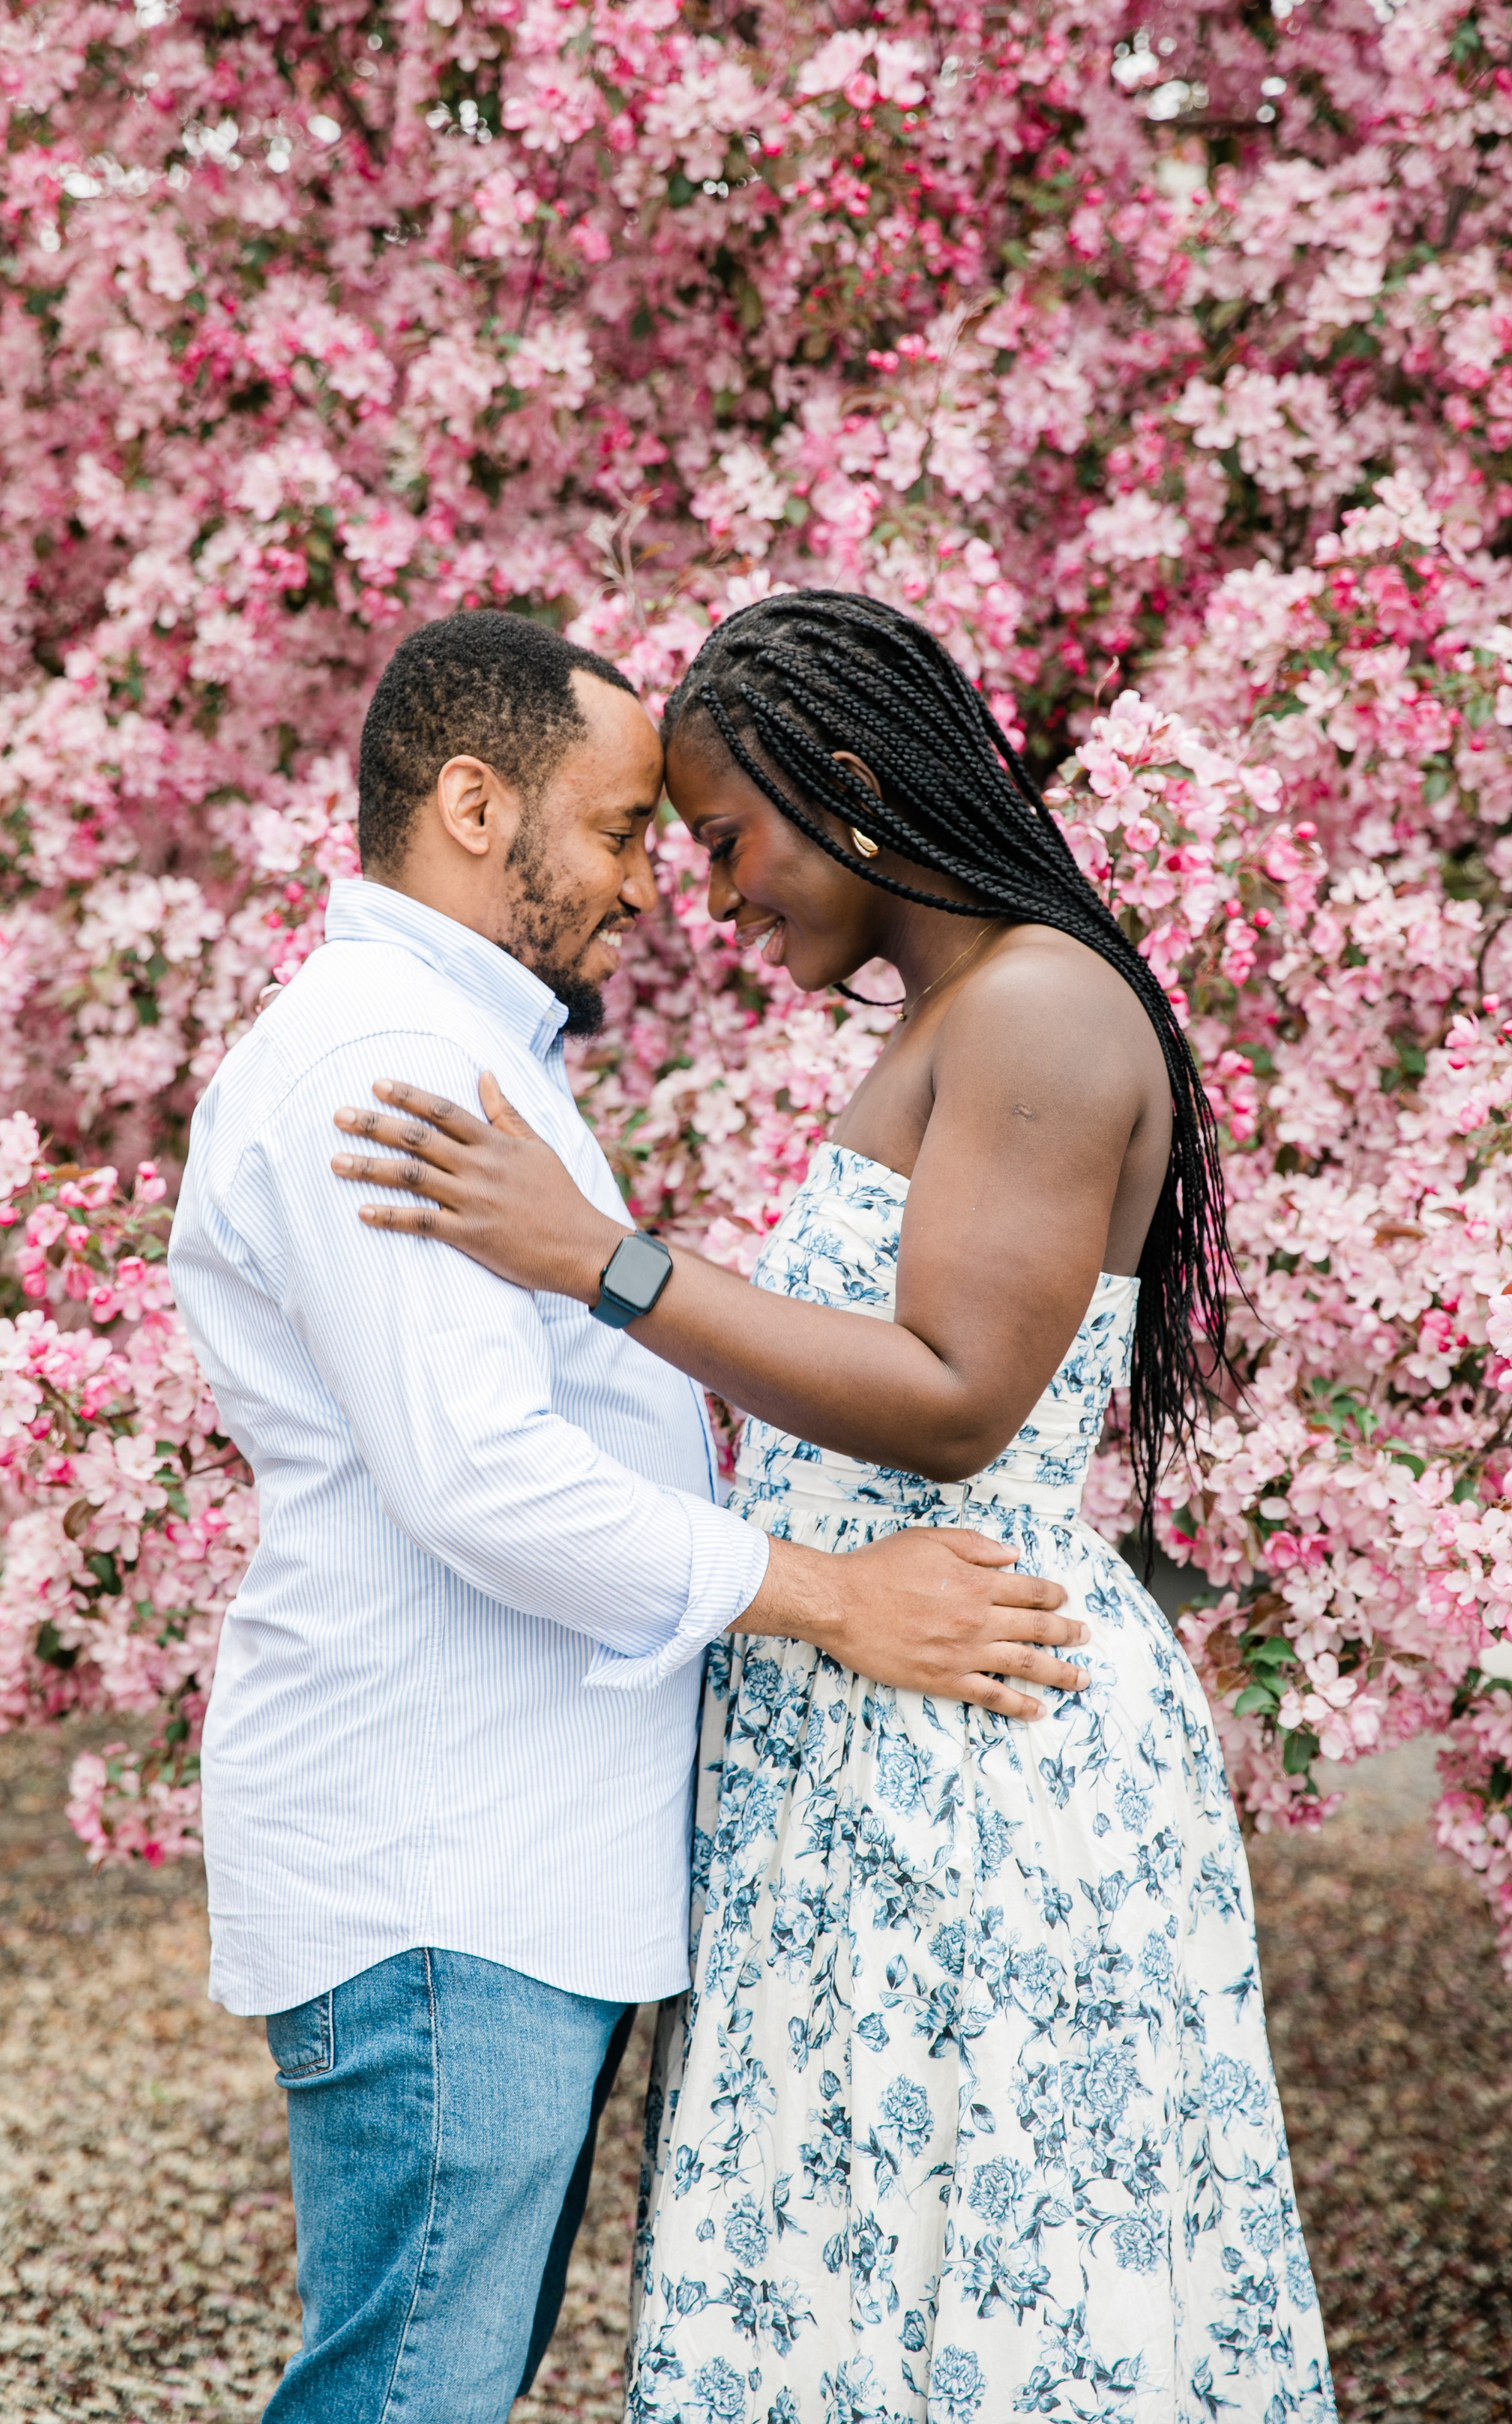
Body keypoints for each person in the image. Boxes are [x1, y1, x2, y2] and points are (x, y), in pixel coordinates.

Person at [330, 593, 1337, 2421]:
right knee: (866, 2256)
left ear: (850, 786)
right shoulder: (959, 1014)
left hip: (977, 1736)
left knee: (987, 2266)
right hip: (869, 1729)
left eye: (723, 838)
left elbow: (957, 1397)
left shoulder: (1038, 1004)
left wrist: (603, 1261)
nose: (707, 897)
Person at [167, 608, 1094, 2424]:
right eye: (614, 832)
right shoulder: (387, 1064)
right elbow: (475, 1472)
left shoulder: (455, 1048)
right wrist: (830, 1595)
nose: (650, 890)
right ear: (471, 805)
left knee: (438, 2374)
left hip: (500, 1858)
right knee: (410, 2389)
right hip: (445, 1862)